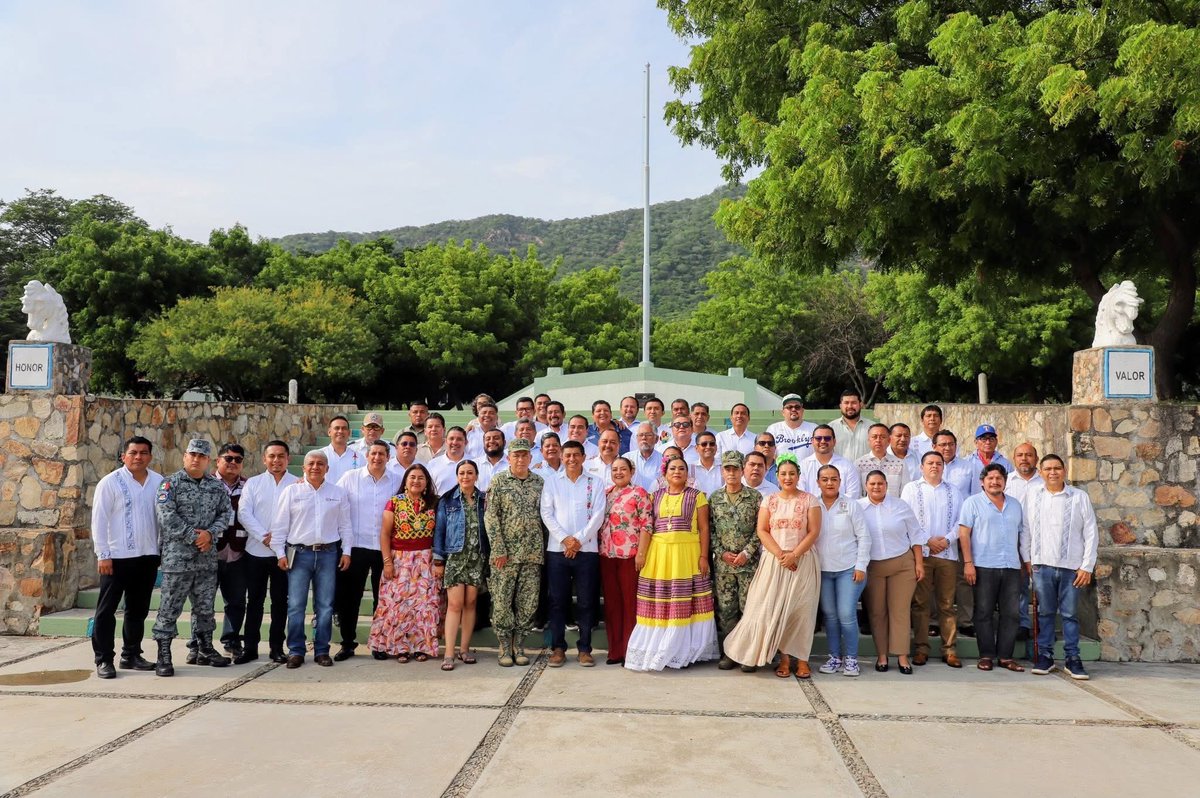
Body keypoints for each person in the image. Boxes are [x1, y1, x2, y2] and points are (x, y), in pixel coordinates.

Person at [722, 454, 822, 678]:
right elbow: (762, 530)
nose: (788, 477)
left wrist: (794, 554)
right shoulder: (770, 500)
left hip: (802, 561)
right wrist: (780, 554)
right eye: (783, 474)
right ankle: (785, 659)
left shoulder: (810, 500)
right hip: (774, 561)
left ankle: (802, 659)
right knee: (771, 610)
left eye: (792, 474)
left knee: (801, 611)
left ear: (798, 476)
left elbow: (814, 531)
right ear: (776, 476)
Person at [624, 456, 719, 671]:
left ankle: (682, 652)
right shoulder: (653, 496)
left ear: (688, 474)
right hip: (659, 555)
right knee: (660, 602)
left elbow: (704, 529)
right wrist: (642, 553)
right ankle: (659, 650)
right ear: (665, 474)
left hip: (687, 553)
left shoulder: (698, 497)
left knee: (683, 602)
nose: (677, 472)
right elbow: (647, 527)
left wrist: (704, 556)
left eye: (682, 468)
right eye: (672, 468)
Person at [152, 439, 235, 676]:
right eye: (193, 454)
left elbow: (225, 514)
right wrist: (193, 536)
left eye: (202, 456)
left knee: (205, 608)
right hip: (178, 559)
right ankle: (164, 655)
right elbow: (166, 516)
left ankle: (205, 648)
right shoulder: (170, 484)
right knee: (169, 608)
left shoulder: (216, 487)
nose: (196, 459)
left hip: (206, 559)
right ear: (184, 456)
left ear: (209, 460)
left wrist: (209, 534)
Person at [90, 436, 163, 678]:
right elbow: (99, 520)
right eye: (133, 452)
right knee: (106, 610)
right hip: (117, 558)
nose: (138, 457)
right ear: (124, 456)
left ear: (150, 457)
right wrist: (103, 554)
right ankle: (103, 659)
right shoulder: (110, 483)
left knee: (137, 610)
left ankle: (131, 655)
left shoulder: (159, 482)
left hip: (148, 556)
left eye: (143, 452)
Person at [271, 451, 352, 668]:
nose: (315, 467)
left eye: (320, 464)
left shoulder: (338, 492)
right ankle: (296, 650)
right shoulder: (291, 491)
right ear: (304, 467)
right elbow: (280, 526)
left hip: (328, 554)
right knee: (296, 605)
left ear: (327, 468)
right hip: (299, 554)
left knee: (325, 605)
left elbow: (345, 525)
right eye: (311, 463)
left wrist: (347, 551)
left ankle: (322, 650)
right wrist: (279, 553)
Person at [1026, 454, 1099, 680]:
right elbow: (1026, 530)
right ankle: (1045, 656)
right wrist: (1028, 560)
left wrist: (1086, 566)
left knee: (1069, 614)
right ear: (1040, 472)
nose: (1053, 473)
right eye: (1047, 469)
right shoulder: (1033, 496)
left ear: (1064, 471)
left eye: (1057, 468)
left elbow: (1090, 532)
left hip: (1071, 568)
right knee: (1045, 613)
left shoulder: (1079, 497)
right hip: (1042, 565)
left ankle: (1072, 659)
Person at [959, 463, 1029, 672]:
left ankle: (1006, 657)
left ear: (1005, 482)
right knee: (983, 613)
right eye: (990, 478)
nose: (995, 481)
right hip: (983, 565)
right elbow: (964, 534)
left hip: (1011, 566)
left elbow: (1022, 534)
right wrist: (968, 563)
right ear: (982, 482)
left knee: (1011, 613)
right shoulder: (972, 503)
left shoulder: (1015, 505)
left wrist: (1025, 561)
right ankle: (987, 655)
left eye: (999, 478)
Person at [334, 441, 401, 661]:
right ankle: (347, 643)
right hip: (356, 547)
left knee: (382, 599)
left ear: (388, 457)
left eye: (382, 454)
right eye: (373, 453)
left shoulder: (397, 481)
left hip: (385, 549)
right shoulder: (350, 478)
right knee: (349, 598)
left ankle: (379, 643)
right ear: (367, 455)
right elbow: (333, 501)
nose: (377, 457)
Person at [541, 440, 605, 667]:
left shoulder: (595, 482)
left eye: (576, 455)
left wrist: (578, 540)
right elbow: (546, 514)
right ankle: (558, 648)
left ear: (583, 456)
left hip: (586, 551)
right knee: (558, 601)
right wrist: (566, 540)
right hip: (557, 551)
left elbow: (598, 515)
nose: (571, 459)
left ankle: (585, 648)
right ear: (561, 455)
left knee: (587, 602)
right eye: (567, 455)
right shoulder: (551, 482)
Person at [368, 464, 440, 662]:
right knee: (399, 605)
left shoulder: (434, 502)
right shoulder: (394, 502)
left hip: (426, 560)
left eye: (420, 478)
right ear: (406, 481)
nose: (416, 481)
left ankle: (421, 647)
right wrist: (387, 562)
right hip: (399, 559)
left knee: (425, 605)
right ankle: (399, 647)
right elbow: (385, 533)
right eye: (412, 477)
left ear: (426, 483)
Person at [486, 439, 546, 667]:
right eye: (516, 455)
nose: (520, 459)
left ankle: (519, 644)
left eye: (524, 455)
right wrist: (499, 548)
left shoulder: (539, 483)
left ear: (531, 458)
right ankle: (504, 645)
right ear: (509, 458)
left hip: (532, 554)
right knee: (501, 602)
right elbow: (491, 517)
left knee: (528, 602)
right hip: (505, 556)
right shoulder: (499, 481)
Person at [900, 451, 964, 668]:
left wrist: (946, 541)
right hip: (921, 555)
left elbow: (960, 522)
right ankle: (920, 649)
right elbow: (906, 519)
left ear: (943, 467)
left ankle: (950, 650)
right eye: (930, 463)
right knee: (920, 604)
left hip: (947, 554)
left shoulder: (954, 491)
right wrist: (927, 540)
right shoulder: (911, 489)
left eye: (938, 463)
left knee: (947, 604)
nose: (934, 466)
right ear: (921, 467)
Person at [238, 440, 298, 664]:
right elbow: (244, 514)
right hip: (256, 551)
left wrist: (278, 541)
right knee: (254, 601)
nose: (276, 460)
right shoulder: (252, 484)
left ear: (288, 459)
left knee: (280, 602)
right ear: (264, 459)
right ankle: (250, 647)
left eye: (281, 456)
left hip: (283, 555)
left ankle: (276, 648)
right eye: (271, 456)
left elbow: (299, 517)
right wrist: (264, 536)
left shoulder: (296, 484)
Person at [860, 471, 925, 674]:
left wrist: (919, 564)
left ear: (887, 485)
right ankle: (882, 656)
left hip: (902, 564)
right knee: (877, 612)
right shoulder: (858, 507)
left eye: (880, 483)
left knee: (900, 610)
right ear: (866, 485)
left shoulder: (900, 506)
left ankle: (902, 656)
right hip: (873, 567)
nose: (876, 487)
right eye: (872, 484)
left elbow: (916, 535)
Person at [190, 443, 248, 663]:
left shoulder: (250, 486)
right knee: (202, 602)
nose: (233, 463)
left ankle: (231, 641)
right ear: (217, 461)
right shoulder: (203, 484)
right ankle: (197, 645)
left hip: (237, 553)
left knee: (235, 601)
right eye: (228, 458)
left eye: (238, 459)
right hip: (207, 553)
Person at [814, 465, 871, 677]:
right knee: (829, 615)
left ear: (840, 481)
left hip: (849, 569)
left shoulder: (850, 505)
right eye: (825, 479)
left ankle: (852, 659)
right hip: (822, 570)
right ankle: (835, 657)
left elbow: (864, 537)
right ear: (818, 482)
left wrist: (861, 566)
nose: (830, 483)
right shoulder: (813, 505)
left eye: (834, 479)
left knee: (846, 613)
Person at [708, 451, 762, 672]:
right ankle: (730, 653)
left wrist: (746, 553)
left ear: (742, 471)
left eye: (735, 469)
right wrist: (721, 553)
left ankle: (747, 654)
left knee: (748, 609)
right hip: (724, 567)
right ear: (722, 471)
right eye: (727, 468)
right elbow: (709, 531)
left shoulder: (755, 497)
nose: (731, 472)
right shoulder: (714, 498)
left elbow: (761, 529)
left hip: (748, 565)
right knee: (727, 610)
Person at [433, 460, 489, 671]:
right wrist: (438, 559)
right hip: (455, 558)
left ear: (476, 476)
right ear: (457, 476)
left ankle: (464, 649)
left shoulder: (484, 500)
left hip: (477, 557)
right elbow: (439, 530)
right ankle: (449, 652)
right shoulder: (447, 500)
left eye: (470, 473)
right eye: (462, 473)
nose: (466, 476)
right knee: (454, 604)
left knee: (471, 603)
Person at [599, 457, 651, 665]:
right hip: (607, 555)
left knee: (630, 604)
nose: (619, 472)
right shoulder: (606, 494)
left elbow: (647, 525)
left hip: (630, 556)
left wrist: (642, 553)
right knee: (612, 605)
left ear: (632, 471)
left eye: (623, 469)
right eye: (615, 469)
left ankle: (631, 651)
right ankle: (615, 651)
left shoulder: (639, 494)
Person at [1006, 442, 1043, 643]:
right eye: (1020, 455)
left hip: (1041, 540)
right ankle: (1022, 623)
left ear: (1036, 459)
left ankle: (1042, 624)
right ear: (1014, 459)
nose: (1024, 459)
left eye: (1029, 455)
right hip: (1013, 539)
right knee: (1019, 585)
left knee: (1041, 585)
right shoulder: (1008, 482)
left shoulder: (1044, 481)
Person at [799, 425, 861, 498]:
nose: (822, 441)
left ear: (834, 442)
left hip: (841, 509)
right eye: (818, 438)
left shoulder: (847, 466)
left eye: (827, 438)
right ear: (812, 441)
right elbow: (800, 494)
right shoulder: (803, 466)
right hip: (811, 509)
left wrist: (833, 506)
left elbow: (853, 495)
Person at [855, 423, 908, 497]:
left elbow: (905, 493)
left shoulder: (900, 464)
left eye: (882, 437)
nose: (878, 440)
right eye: (874, 437)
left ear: (889, 440)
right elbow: (857, 493)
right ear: (868, 440)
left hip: (893, 507)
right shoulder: (859, 464)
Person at [964, 425, 1013, 495]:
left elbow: (1010, 487)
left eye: (991, 439)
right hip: (975, 504)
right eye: (983, 439)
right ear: (976, 442)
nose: (988, 442)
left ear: (996, 442)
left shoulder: (1005, 463)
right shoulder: (967, 462)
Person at [766, 393, 816, 458]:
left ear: (802, 410)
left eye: (797, 407)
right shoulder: (773, 429)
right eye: (789, 407)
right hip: (781, 467)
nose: (793, 409)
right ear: (783, 412)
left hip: (808, 468)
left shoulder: (813, 428)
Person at [319, 415, 363, 483]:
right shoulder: (319, 455)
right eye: (337, 428)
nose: (340, 431)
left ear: (349, 433)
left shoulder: (359, 457)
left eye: (344, 428)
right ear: (329, 432)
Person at [831, 388, 870, 462]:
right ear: (840, 406)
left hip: (866, 472)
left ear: (860, 404)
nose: (850, 406)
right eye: (846, 403)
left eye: (854, 403)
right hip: (840, 472)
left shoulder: (872, 427)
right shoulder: (831, 428)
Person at [429, 426, 469, 495]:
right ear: (446, 441)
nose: (455, 442)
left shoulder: (475, 463)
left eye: (459, 439)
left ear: (466, 442)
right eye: (451, 439)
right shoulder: (433, 464)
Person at [629, 422, 664, 492]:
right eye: (641, 435)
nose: (644, 438)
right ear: (636, 438)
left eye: (648, 435)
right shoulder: (627, 458)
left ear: (656, 439)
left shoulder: (663, 460)